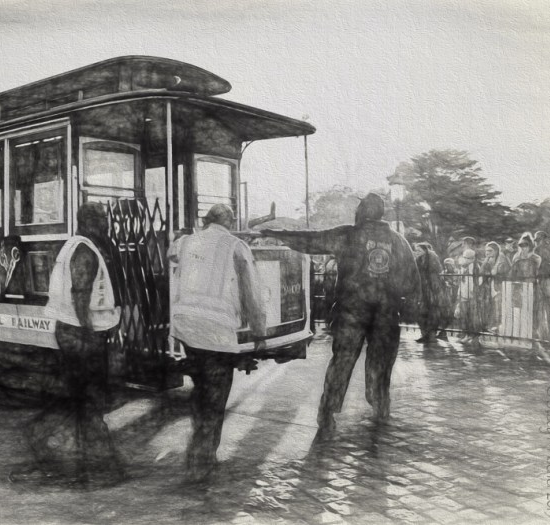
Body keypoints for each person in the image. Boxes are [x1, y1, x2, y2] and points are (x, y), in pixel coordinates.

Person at [263, 193, 420, 438]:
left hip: (351, 313)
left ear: (363, 212)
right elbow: (412, 282)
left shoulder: (348, 235)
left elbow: (311, 241)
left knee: (341, 363)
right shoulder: (399, 242)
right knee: (381, 363)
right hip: (385, 315)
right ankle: (380, 405)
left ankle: (327, 413)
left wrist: (278, 234)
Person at [13, 202, 124, 486]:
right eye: (103, 219)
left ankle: (46, 441)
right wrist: (89, 332)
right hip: (83, 335)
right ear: (92, 222)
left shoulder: (71, 245)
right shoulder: (86, 250)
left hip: (69, 331)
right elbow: (80, 293)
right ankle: (102, 468)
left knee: (79, 399)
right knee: (89, 402)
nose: (107, 224)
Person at [170, 204, 266, 483]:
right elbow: (252, 292)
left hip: (187, 327)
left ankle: (199, 451)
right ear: (231, 221)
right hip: (216, 332)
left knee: (202, 389)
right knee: (216, 396)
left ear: (206, 220)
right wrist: (259, 333)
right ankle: (202, 458)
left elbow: (170, 252)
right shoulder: (236, 246)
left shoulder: (186, 242)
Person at [413, 243, 449, 343]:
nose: (417, 252)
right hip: (422, 289)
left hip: (432, 290)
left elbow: (435, 275)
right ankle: (424, 333)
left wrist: (433, 289)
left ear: (425, 251)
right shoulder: (418, 260)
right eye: (416, 250)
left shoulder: (432, 259)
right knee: (421, 312)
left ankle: (430, 334)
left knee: (432, 312)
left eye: (419, 250)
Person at [479, 242, 510, 332]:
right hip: (491, 287)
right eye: (486, 251)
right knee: (491, 307)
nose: (487, 253)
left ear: (496, 251)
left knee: (498, 308)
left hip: (500, 287)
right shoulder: (488, 259)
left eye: (489, 250)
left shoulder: (502, 258)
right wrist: (485, 261)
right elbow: (481, 271)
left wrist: (491, 267)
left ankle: (498, 327)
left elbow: (497, 272)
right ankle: (490, 326)